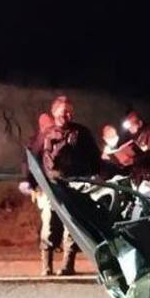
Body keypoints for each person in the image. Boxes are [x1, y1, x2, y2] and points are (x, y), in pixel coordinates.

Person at [29, 95, 99, 276]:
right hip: (51, 187)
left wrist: (95, 176)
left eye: (69, 112)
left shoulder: (82, 133)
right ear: (54, 113)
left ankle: (68, 264)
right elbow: (32, 157)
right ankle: (46, 265)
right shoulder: (45, 134)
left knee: (72, 227)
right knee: (49, 225)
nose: (66, 115)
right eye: (62, 112)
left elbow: (94, 158)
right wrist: (30, 182)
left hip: (75, 186)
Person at [121, 110, 150, 180]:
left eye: (131, 125)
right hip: (141, 176)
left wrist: (133, 160)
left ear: (140, 123)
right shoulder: (136, 137)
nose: (130, 128)